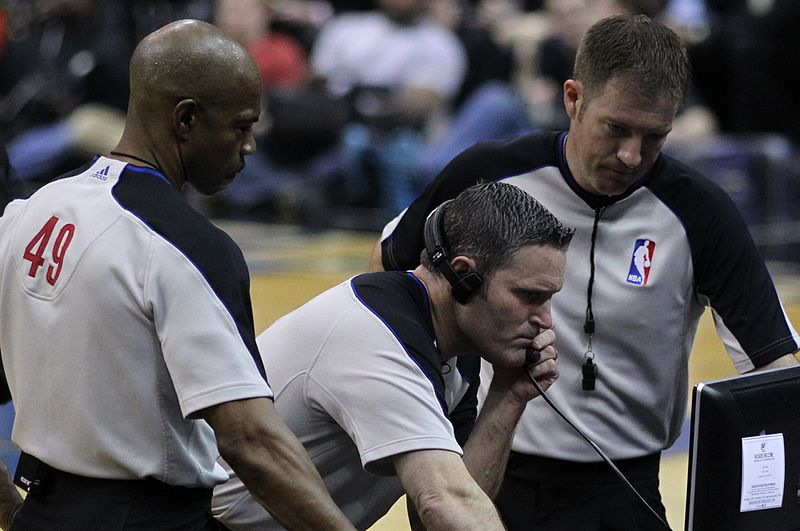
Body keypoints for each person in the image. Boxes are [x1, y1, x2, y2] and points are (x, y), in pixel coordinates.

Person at [369, 13, 800, 530]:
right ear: (574, 99)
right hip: (488, 465)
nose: (630, 155)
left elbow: (775, 369)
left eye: (654, 137)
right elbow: (385, 276)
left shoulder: (701, 212)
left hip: (625, 486)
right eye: (616, 128)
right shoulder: (486, 172)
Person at [0, 19, 355, 530]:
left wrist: (11, 508)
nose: (250, 146)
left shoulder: (30, 212)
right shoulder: (187, 246)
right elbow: (251, 441)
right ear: (185, 119)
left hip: (42, 509)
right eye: (241, 125)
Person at [212, 181, 575, 530]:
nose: (545, 321)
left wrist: (507, 397)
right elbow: (444, 504)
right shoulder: (374, 335)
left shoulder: (454, 352)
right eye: (529, 296)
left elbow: (436, 514)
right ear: (464, 275)